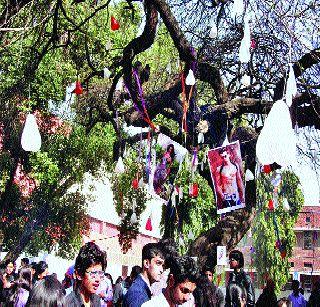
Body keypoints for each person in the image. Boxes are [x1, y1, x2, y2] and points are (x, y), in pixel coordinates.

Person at [65, 242, 107, 307]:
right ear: (79, 275)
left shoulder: (96, 300)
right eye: (93, 273)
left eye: (100, 273)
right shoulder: (68, 303)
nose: (98, 279)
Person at [123, 242, 165, 307]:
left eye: (163, 266)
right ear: (146, 263)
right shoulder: (138, 294)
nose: (162, 270)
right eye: (158, 263)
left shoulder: (142, 289)